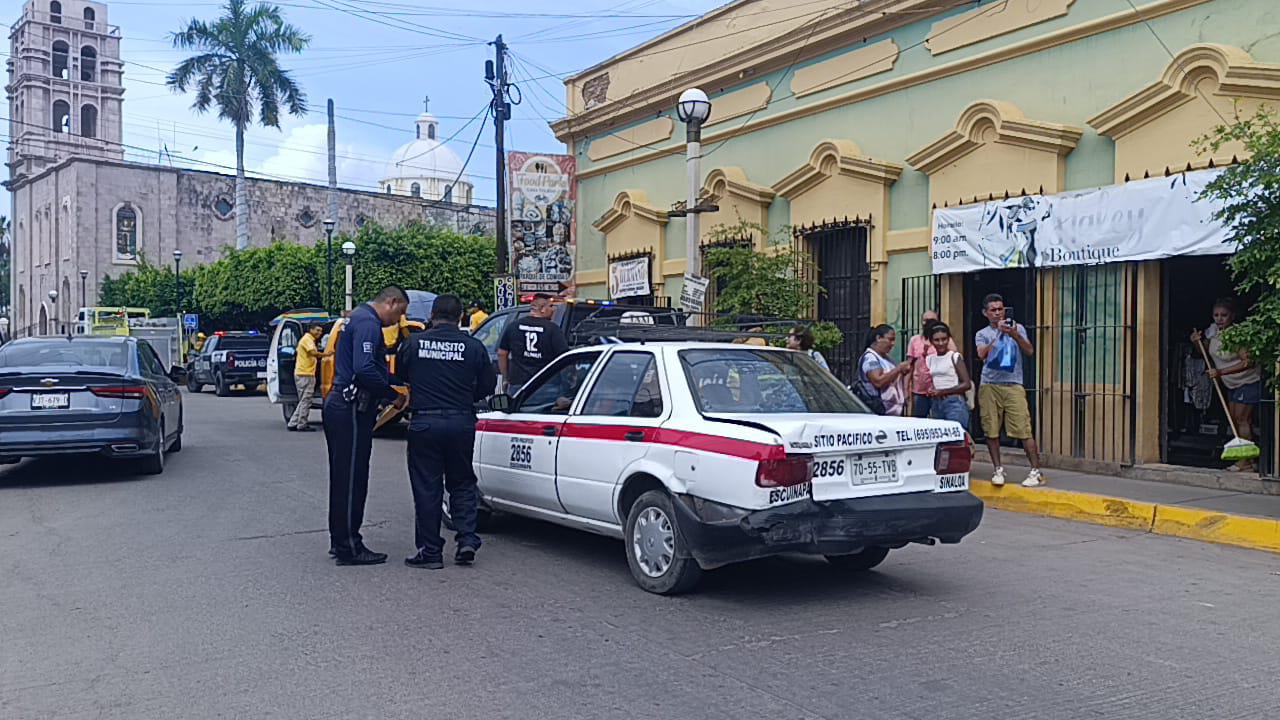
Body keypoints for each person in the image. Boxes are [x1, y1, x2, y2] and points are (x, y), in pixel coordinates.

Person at [397, 294, 497, 570]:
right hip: (461, 420)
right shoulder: (473, 346)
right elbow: (488, 385)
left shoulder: (413, 344)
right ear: (461, 316)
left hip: (425, 422)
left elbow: (400, 375)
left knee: (427, 487)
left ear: (432, 314)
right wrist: (465, 396)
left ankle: (430, 551)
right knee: (462, 482)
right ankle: (466, 539)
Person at [324, 285, 410, 566]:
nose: (399, 320)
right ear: (391, 302)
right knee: (352, 478)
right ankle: (349, 546)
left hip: (344, 405)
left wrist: (391, 384)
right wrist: (393, 396)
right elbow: (364, 370)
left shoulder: (359, 318)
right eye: (400, 313)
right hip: (350, 407)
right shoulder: (368, 324)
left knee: (343, 477)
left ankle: (341, 540)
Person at [975, 293, 1043, 487]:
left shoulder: (1018, 328)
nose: (997, 313)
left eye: (1000, 309)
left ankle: (1035, 470)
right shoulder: (982, 334)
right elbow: (982, 355)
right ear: (985, 313)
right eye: (993, 310)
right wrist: (998, 333)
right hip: (990, 384)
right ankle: (998, 469)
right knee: (991, 429)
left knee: (1023, 428)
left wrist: (1014, 334)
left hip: (1013, 384)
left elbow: (1029, 351)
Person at [1191, 298, 1262, 472]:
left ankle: (1244, 462)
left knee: (1242, 420)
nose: (1219, 319)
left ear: (1232, 316)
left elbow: (1248, 362)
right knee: (1234, 421)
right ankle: (1250, 460)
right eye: (1216, 315)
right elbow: (1205, 352)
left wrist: (1221, 373)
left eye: (1224, 315)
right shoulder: (1213, 332)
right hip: (1231, 384)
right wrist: (1196, 341)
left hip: (1248, 381)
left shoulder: (1237, 334)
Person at [498, 293, 568, 395]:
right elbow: (564, 358)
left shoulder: (513, 326)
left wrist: (505, 377)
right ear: (543, 308)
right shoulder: (553, 329)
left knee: (516, 410)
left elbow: (502, 353)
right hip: (545, 384)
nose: (553, 310)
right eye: (551, 306)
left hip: (518, 383)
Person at [906, 310, 956, 418]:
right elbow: (909, 366)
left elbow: (954, 360)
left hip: (940, 390)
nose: (928, 323)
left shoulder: (943, 340)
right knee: (918, 423)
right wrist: (906, 389)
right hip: (919, 390)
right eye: (926, 320)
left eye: (932, 320)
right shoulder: (914, 340)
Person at [923, 322, 972, 425]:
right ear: (931, 341)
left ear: (949, 339)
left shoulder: (954, 357)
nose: (941, 343)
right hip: (937, 402)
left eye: (944, 339)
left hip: (954, 402)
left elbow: (966, 384)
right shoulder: (930, 359)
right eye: (937, 340)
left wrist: (943, 391)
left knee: (956, 437)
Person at [857, 324, 911, 415]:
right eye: (890, 339)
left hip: (891, 411)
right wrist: (898, 369)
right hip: (879, 410)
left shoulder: (886, 358)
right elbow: (878, 381)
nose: (893, 344)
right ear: (878, 338)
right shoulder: (870, 358)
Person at [287, 324, 331, 432]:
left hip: (303, 373)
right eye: (317, 330)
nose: (319, 333)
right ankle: (302, 424)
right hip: (305, 374)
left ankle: (293, 422)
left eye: (321, 331)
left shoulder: (307, 339)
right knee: (306, 400)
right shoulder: (307, 339)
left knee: (303, 400)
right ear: (311, 329)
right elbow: (313, 353)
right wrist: (327, 354)